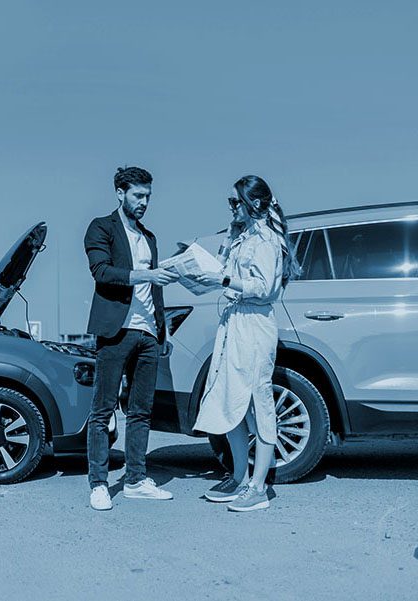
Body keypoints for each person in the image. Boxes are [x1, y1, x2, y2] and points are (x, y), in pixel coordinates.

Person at [193, 175, 300, 512]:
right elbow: (228, 272)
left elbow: (265, 287)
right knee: (231, 399)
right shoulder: (242, 237)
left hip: (255, 324)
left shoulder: (267, 240)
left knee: (258, 400)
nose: (231, 208)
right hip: (234, 323)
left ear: (253, 202)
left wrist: (224, 278)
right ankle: (240, 475)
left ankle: (259, 486)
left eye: (235, 202)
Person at [84, 166, 179, 511]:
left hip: (148, 334)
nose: (144, 203)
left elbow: (155, 288)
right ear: (120, 193)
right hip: (115, 331)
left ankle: (137, 478)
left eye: (148, 197)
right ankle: (98, 483)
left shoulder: (149, 237)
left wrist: (162, 330)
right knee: (102, 410)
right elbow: (102, 272)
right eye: (138, 195)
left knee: (141, 411)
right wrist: (147, 273)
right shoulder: (101, 227)